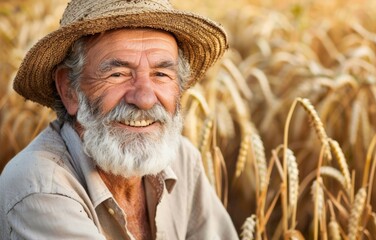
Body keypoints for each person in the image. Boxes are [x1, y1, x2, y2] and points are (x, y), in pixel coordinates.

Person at [0, 0, 239, 239]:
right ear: (69, 89)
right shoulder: (38, 188)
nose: (145, 98)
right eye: (118, 74)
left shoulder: (183, 160)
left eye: (161, 74)